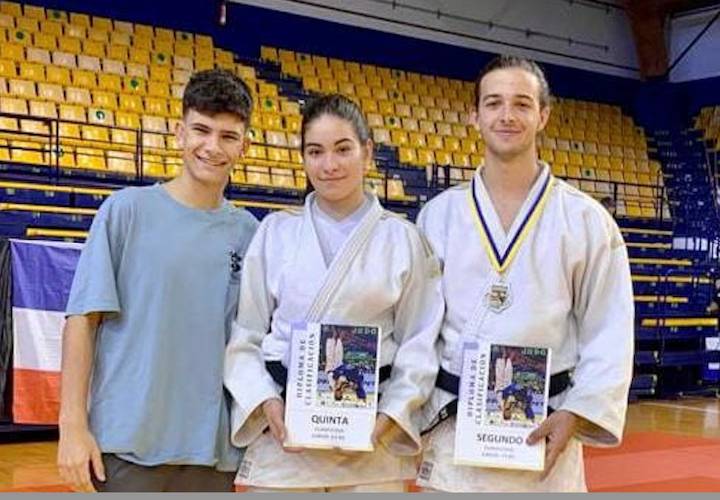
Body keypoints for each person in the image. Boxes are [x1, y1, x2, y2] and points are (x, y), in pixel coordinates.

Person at [416, 55, 635, 492]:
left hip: (546, 427)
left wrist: (576, 412)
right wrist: (411, 409)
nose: (507, 115)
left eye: (522, 103)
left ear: (543, 116)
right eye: (494, 103)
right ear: (474, 116)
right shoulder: (437, 215)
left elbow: (609, 331)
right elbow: (417, 330)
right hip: (454, 426)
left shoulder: (586, 221)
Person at [224, 93, 444, 492]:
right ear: (303, 158)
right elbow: (246, 335)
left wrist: (393, 414)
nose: (329, 165)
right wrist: (265, 402)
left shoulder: (403, 238)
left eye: (343, 149)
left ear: (367, 151)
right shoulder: (275, 232)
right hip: (284, 434)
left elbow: (419, 341)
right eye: (315, 151)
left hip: (371, 442)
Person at [57, 69, 259, 492]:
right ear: (179, 132)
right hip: (127, 444)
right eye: (201, 130)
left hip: (213, 452)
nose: (212, 146)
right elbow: (82, 321)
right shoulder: (124, 211)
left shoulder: (251, 233)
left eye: (227, 135)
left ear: (245, 145)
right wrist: (72, 426)